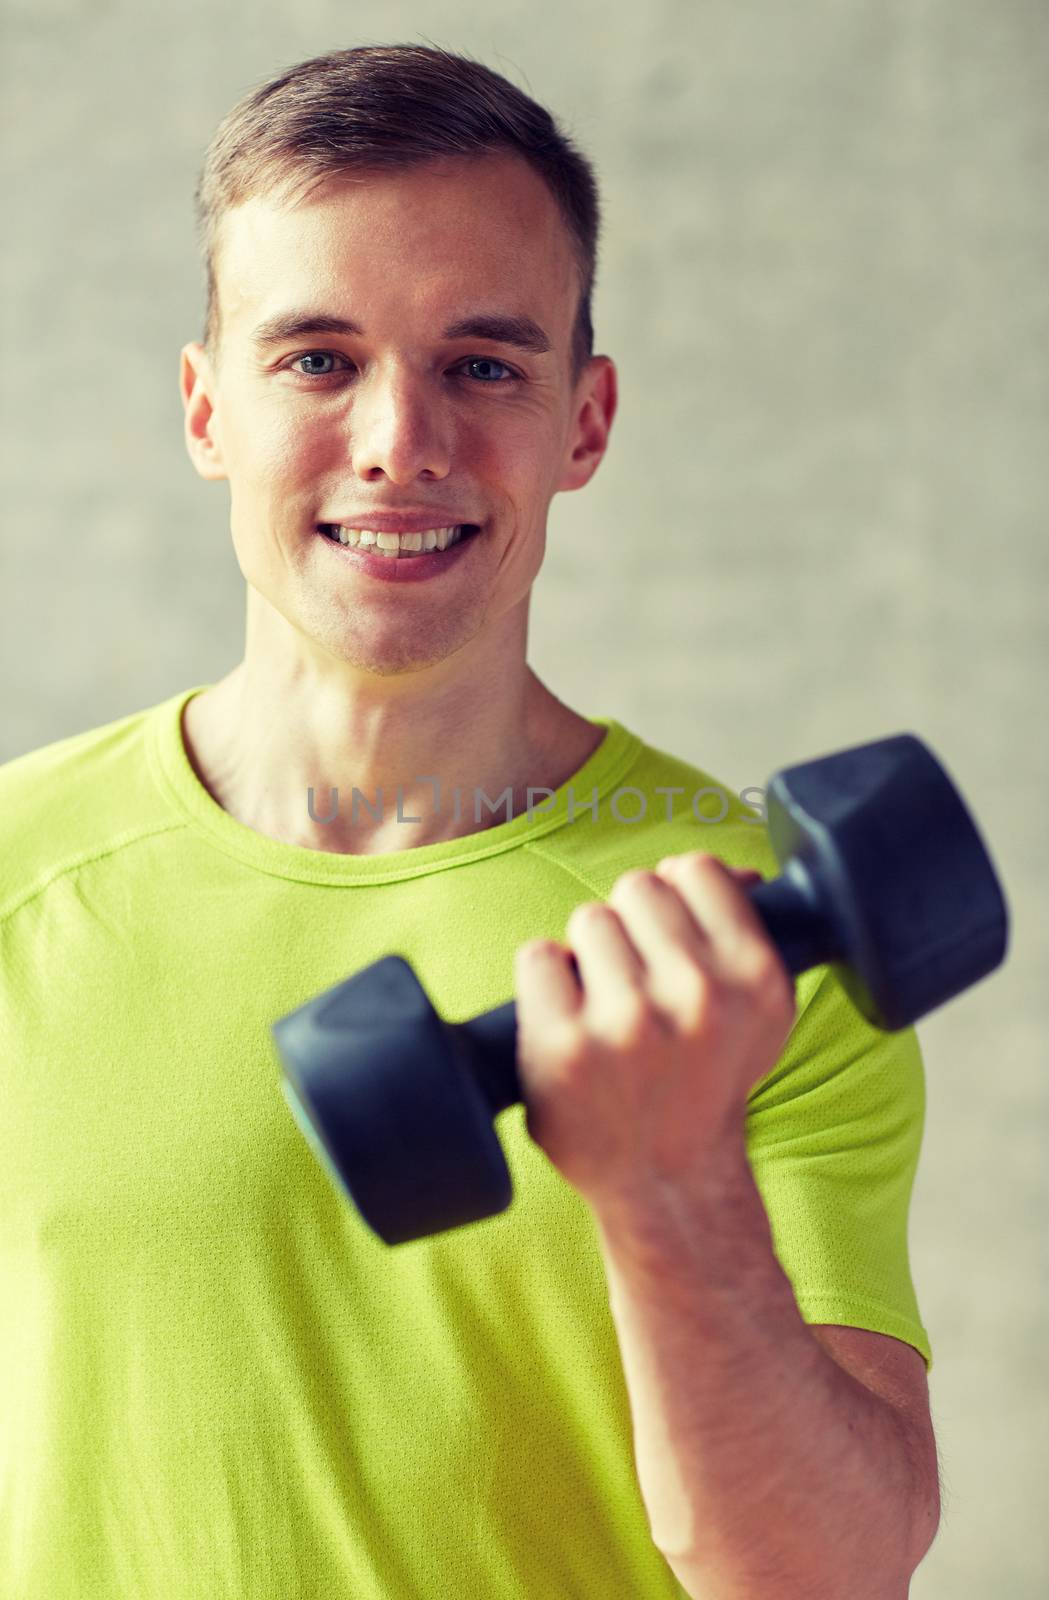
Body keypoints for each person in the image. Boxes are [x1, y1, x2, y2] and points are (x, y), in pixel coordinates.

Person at [0, 43, 941, 1600]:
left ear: (585, 420)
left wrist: (666, 1183)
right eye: (317, 358)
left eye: (484, 364)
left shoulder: (748, 938)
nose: (400, 444)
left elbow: (825, 1582)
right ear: (204, 409)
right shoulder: (17, 877)